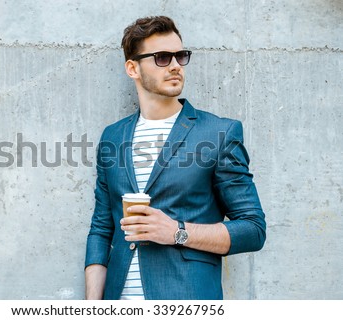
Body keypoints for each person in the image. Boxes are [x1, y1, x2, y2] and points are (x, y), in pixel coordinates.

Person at [84, 16, 266, 300]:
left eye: (180, 56)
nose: (175, 66)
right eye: (161, 57)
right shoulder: (113, 137)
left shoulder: (218, 133)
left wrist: (176, 232)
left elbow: (253, 230)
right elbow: (101, 229)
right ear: (132, 68)